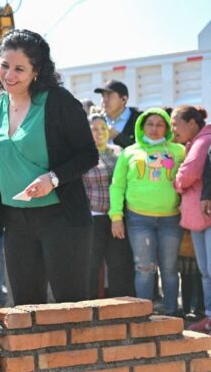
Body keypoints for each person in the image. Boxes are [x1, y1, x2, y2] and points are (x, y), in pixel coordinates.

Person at [0, 29, 98, 304]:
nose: (9, 75)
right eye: (4, 65)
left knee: (70, 307)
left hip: (62, 219)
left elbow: (87, 155)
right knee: (25, 308)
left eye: (19, 68)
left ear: (37, 71)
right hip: (15, 222)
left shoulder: (59, 102)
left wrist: (53, 179)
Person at [109, 108, 185, 315]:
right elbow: (117, 186)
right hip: (138, 219)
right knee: (143, 267)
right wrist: (116, 216)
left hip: (170, 219)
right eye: (149, 124)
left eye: (160, 124)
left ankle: (171, 311)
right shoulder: (129, 152)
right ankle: (144, 314)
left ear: (167, 128)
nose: (154, 128)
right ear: (142, 127)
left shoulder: (179, 151)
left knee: (169, 268)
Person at [82, 114, 135, 298]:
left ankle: (119, 304)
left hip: (117, 216)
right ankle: (87, 306)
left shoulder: (118, 151)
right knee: (91, 264)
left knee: (118, 263)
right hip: (93, 216)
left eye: (103, 128)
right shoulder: (83, 155)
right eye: (94, 129)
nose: (100, 133)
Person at [172, 106, 211, 330]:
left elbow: (188, 174)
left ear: (192, 123)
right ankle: (208, 316)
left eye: (177, 124)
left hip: (203, 213)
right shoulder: (196, 142)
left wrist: (177, 181)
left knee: (208, 270)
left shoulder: (202, 142)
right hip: (198, 215)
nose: (174, 130)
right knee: (205, 270)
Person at [94, 80, 141, 148]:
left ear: (123, 99)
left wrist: (117, 136)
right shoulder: (96, 120)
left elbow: (143, 149)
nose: (104, 100)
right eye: (103, 96)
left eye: (109, 95)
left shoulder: (139, 120)